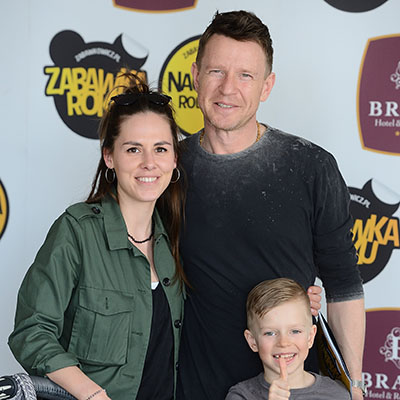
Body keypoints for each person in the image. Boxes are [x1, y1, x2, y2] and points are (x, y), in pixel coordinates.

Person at [177, 10, 365, 400]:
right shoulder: (166, 170)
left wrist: (356, 385)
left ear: (267, 86)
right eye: (216, 71)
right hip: (194, 388)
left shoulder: (311, 166)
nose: (228, 88)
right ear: (195, 75)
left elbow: (343, 285)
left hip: (294, 391)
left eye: (245, 75)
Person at [8, 73, 186, 400]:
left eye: (160, 149)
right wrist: (92, 394)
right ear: (109, 157)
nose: (149, 163)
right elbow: (32, 332)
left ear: (174, 159)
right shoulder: (77, 232)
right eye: (133, 149)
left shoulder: (177, 239)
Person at [225, 278, 351, 400]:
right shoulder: (241, 395)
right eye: (270, 333)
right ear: (252, 341)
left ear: (310, 337)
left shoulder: (338, 395)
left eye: (295, 331)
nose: (283, 343)